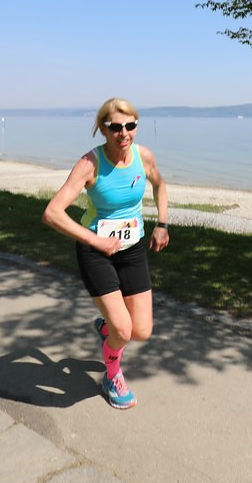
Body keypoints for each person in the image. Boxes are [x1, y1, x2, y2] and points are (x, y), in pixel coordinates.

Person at [42, 98, 169, 409]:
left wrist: (162, 224)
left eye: (130, 125)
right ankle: (112, 375)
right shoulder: (90, 164)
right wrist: (94, 240)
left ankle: (107, 328)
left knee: (141, 331)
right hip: (95, 252)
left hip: (133, 249)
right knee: (123, 331)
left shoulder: (144, 157)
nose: (123, 132)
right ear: (102, 129)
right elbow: (52, 213)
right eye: (115, 127)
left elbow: (160, 185)